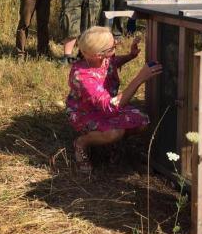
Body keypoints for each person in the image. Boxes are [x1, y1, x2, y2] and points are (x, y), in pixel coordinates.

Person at [66, 26, 163, 174]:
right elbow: (109, 106)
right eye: (113, 46)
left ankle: (112, 145)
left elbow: (113, 62)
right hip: (85, 113)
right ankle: (82, 143)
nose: (117, 44)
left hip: (108, 106)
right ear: (98, 54)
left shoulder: (101, 59)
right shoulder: (83, 77)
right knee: (114, 133)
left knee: (143, 121)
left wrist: (131, 55)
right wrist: (139, 79)